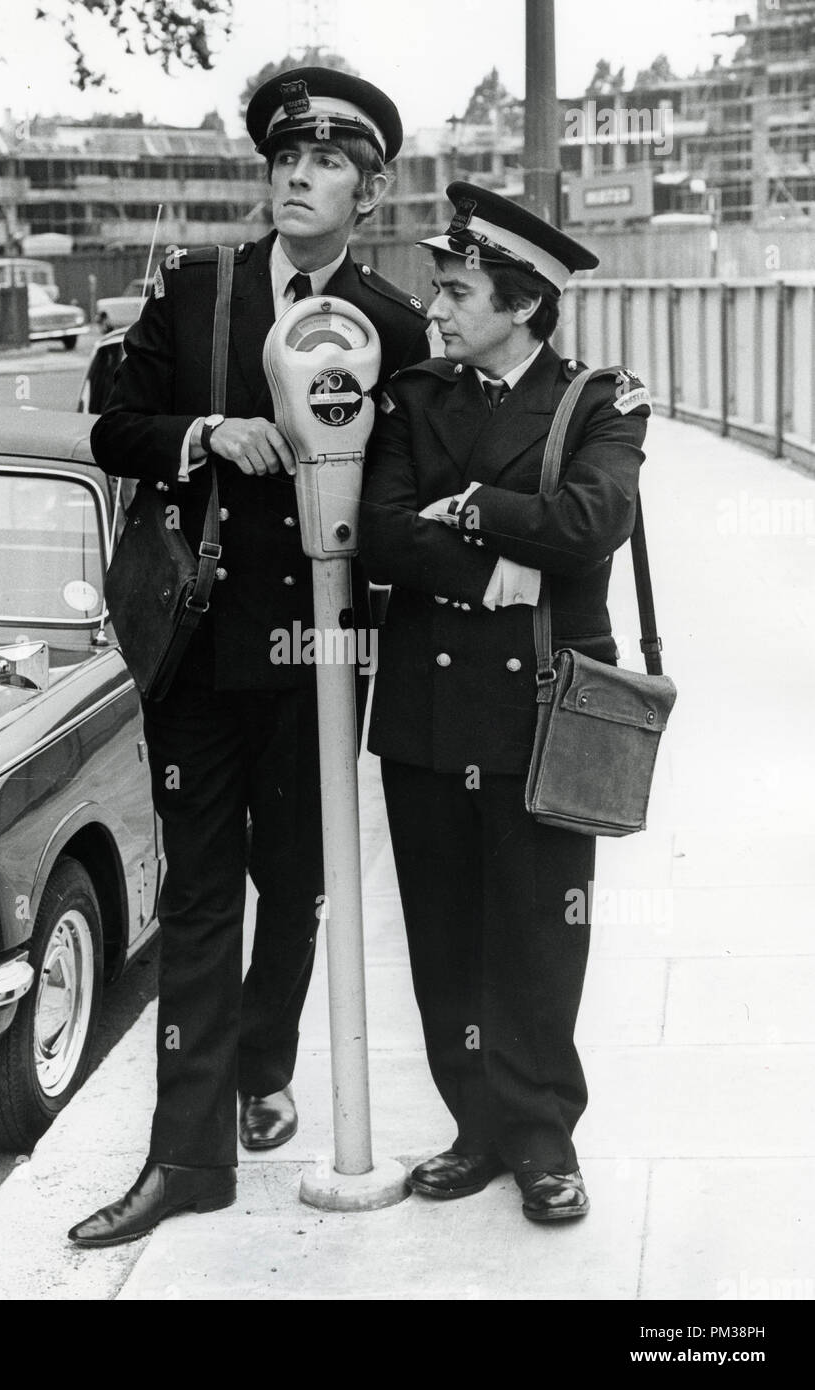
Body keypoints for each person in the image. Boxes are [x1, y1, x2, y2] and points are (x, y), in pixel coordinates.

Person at [68, 68, 428, 1248]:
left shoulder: (394, 320)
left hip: (325, 650)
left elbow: (412, 484)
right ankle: (187, 1155)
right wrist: (201, 433)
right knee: (202, 889)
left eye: (324, 164)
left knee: (300, 882)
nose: (296, 176)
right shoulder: (204, 289)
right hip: (206, 645)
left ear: (365, 194)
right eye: (284, 160)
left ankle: (264, 1062)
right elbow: (112, 427)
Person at [359, 182, 651, 1223]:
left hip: (541, 711)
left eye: (454, 289)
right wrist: (496, 571)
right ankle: (473, 1127)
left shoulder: (602, 402)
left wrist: (477, 504)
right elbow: (384, 530)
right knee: (442, 930)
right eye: (439, 287)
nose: (432, 307)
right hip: (428, 712)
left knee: (537, 930)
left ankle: (541, 1140)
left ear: (523, 303)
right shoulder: (413, 396)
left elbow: (591, 524)